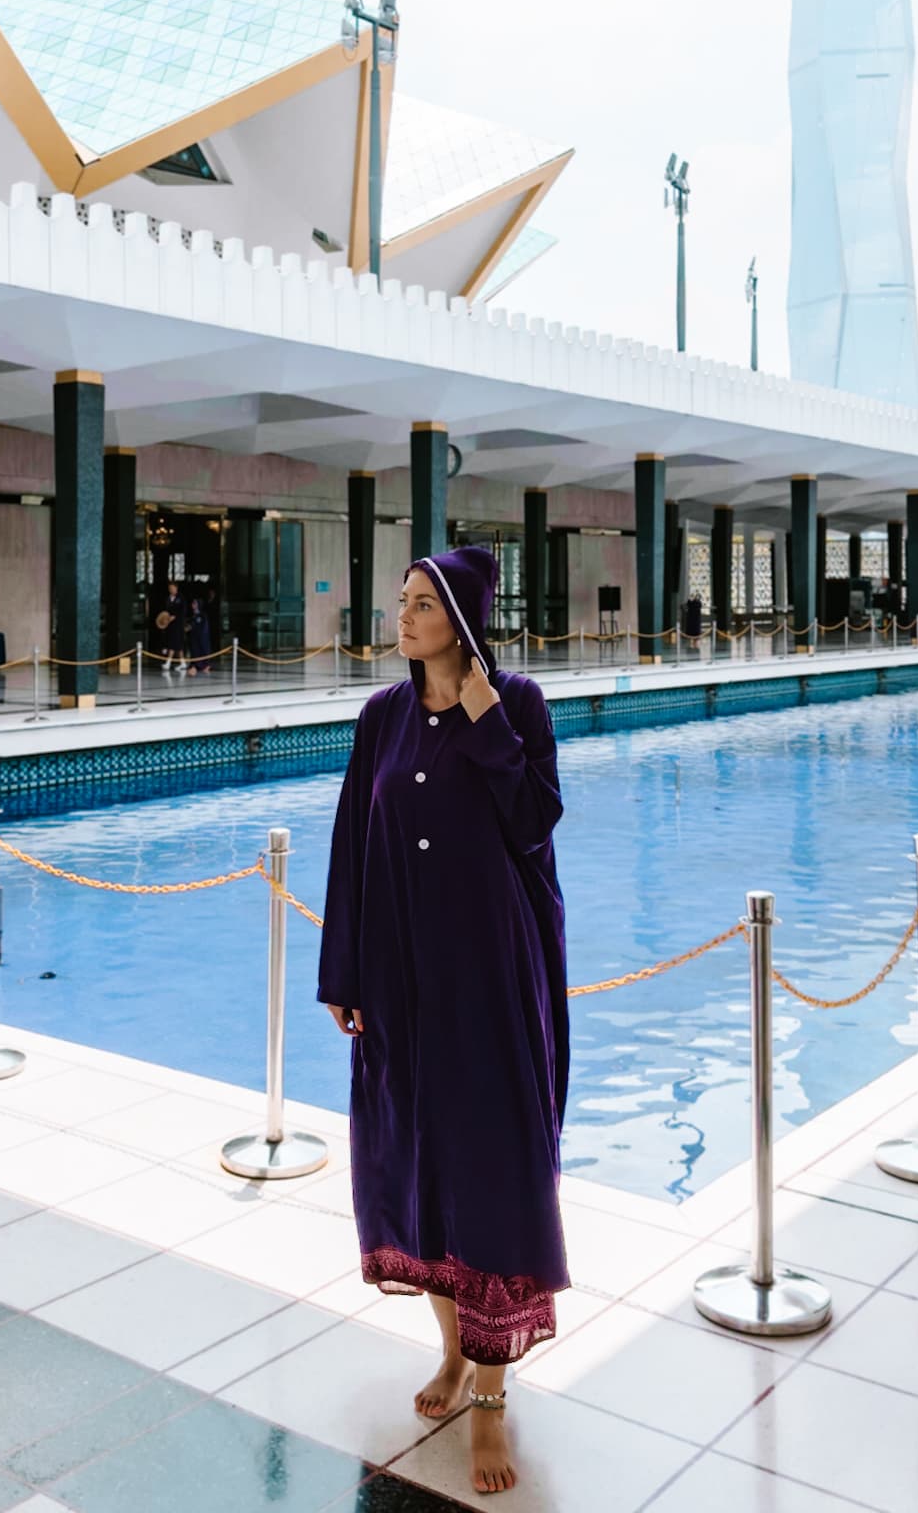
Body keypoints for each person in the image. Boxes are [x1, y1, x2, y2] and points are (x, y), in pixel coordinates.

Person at [318, 545, 569, 1498]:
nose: (404, 617)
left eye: (423, 605)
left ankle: (494, 1400)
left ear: (462, 621)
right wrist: (343, 971)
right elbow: (351, 842)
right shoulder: (380, 717)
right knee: (414, 1167)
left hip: (490, 978)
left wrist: (482, 722)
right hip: (400, 981)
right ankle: (454, 1354)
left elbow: (536, 821)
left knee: (492, 1172)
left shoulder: (517, 706)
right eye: (402, 602)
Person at [154, 579, 185, 674]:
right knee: (177, 644)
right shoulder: (168, 599)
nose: (171, 590)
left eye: (172, 588)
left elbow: (182, 611)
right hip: (169, 625)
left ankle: (168, 662)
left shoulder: (181, 598)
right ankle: (182, 662)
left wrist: (174, 617)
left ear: (176, 588)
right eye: (169, 588)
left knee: (174, 643)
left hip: (178, 624)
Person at [184, 594, 212, 675]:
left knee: (201, 651)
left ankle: (203, 666)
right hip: (194, 639)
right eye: (192, 603)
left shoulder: (202, 616)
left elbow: (195, 625)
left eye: (194, 603)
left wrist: (189, 628)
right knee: (194, 652)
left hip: (201, 639)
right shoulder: (193, 616)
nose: (193, 605)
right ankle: (195, 666)